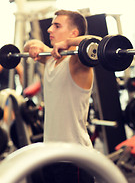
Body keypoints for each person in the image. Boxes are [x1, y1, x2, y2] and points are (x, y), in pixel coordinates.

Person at [24, 10, 100, 183]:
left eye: (57, 26)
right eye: (51, 25)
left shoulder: (77, 63)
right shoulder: (51, 58)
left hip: (75, 158)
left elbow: (97, 42)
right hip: (51, 155)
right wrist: (34, 45)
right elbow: (28, 46)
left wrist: (67, 43)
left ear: (74, 33)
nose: (50, 29)